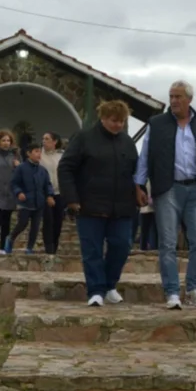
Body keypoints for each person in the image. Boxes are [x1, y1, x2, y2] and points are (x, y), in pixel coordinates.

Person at [135, 80, 196, 309]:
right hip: (168, 188)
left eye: (178, 97)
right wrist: (139, 184)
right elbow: (145, 156)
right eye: (171, 96)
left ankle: (194, 289)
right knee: (168, 243)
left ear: (189, 99)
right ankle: (172, 292)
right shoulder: (157, 124)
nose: (173, 101)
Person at [59, 100, 140, 307]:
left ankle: (110, 285)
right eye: (114, 121)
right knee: (92, 251)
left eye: (122, 121)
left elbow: (136, 171)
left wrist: (141, 189)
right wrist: (72, 199)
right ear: (103, 118)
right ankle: (95, 291)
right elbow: (66, 167)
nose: (118, 125)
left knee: (122, 246)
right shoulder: (84, 138)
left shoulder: (127, 142)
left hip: (122, 206)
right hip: (89, 206)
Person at [4, 144, 55, 255]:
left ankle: (29, 248)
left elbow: (47, 185)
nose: (39, 154)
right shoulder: (21, 168)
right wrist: (19, 192)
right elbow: (14, 183)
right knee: (22, 223)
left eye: (39, 152)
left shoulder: (42, 170)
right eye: (36, 151)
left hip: (39, 203)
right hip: (25, 202)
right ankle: (11, 238)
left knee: (35, 227)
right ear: (29, 153)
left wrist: (49, 195)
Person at [39, 132, 65, 255]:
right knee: (48, 221)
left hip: (59, 193)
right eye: (43, 139)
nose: (44, 141)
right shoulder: (39, 155)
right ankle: (48, 248)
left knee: (58, 221)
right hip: (45, 193)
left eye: (47, 139)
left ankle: (55, 246)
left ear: (55, 142)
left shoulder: (61, 156)